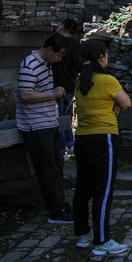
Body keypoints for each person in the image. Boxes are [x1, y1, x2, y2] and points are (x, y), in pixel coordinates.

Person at [72, 39, 132, 256]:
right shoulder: (107, 81)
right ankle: (102, 240)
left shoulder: (80, 81)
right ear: (101, 58)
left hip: (82, 138)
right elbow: (126, 103)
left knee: (82, 187)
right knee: (103, 190)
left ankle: (82, 233)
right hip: (103, 138)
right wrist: (114, 106)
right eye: (105, 55)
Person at [16, 33, 73, 223]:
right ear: (49, 49)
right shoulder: (29, 65)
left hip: (49, 122)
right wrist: (51, 94)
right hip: (36, 126)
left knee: (57, 165)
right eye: (58, 55)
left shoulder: (45, 66)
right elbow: (25, 94)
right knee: (47, 169)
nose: (59, 59)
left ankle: (61, 204)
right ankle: (56, 211)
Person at [51, 18, 82, 159]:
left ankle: (62, 149)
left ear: (62, 26)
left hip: (57, 86)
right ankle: (72, 145)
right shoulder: (77, 46)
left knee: (58, 119)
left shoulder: (56, 43)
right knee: (65, 117)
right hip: (70, 86)